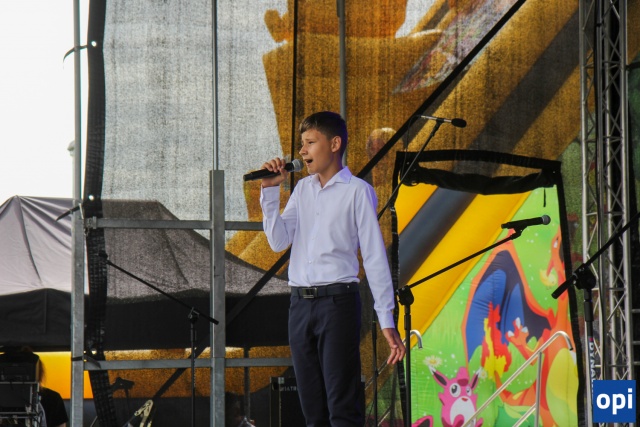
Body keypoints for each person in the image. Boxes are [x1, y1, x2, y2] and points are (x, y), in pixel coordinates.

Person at [259, 111, 405, 426]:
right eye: (302, 144)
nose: (302, 151)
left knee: (341, 405)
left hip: (337, 304)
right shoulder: (302, 190)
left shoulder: (357, 191)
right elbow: (278, 241)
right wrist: (270, 192)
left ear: (335, 144)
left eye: (310, 143)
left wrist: (386, 319)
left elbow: (374, 257)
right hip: (300, 304)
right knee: (312, 409)